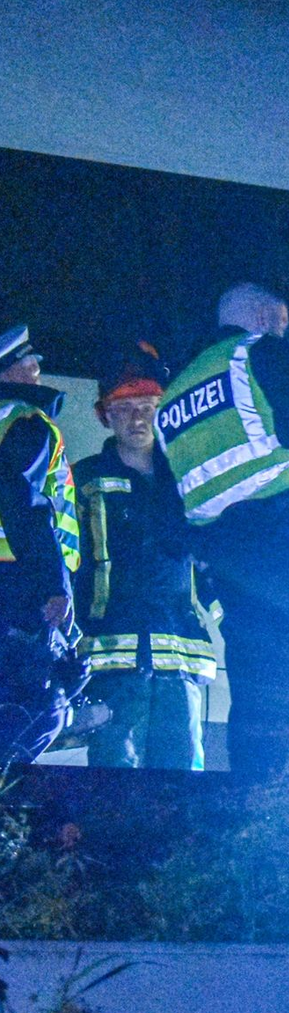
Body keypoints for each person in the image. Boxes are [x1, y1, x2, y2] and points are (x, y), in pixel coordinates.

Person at [155, 283, 289, 781]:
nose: (282, 333)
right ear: (259, 315)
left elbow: (170, 504)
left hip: (226, 555)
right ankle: (271, 790)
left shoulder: (172, 396)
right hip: (287, 532)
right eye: (280, 322)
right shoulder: (257, 353)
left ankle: (251, 788)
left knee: (255, 683)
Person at [75, 343, 215, 769]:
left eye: (148, 407)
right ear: (105, 415)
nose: (137, 418)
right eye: (124, 408)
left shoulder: (189, 476)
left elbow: (213, 551)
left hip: (180, 648)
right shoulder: (84, 479)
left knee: (181, 779)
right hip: (111, 653)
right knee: (115, 778)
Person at [0, 324, 85, 767]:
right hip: (18, 584)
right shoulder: (25, 422)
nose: (37, 368)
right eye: (26, 361)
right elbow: (25, 506)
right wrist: (56, 585)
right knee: (32, 709)